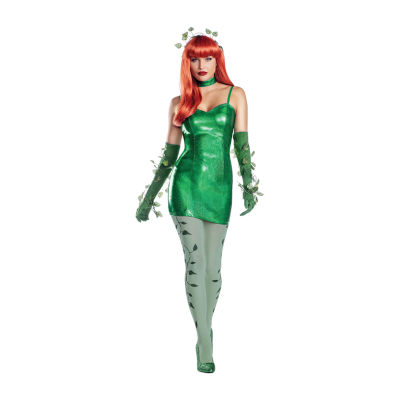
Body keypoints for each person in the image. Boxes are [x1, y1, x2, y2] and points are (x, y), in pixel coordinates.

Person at [136, 30, 260, 373]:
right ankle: (205, 342)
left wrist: (249, 185)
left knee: (213, 271)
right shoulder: (179, 102)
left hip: (219, 189)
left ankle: (204, 327)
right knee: (196, 262)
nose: (201, 65)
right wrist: (149, 198)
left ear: (217, 60)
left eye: (208, 58)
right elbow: (169, 154)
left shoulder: (236, 95)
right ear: (186, 62)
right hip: (186, 188)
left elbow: (242, 145)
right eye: (194, 59)